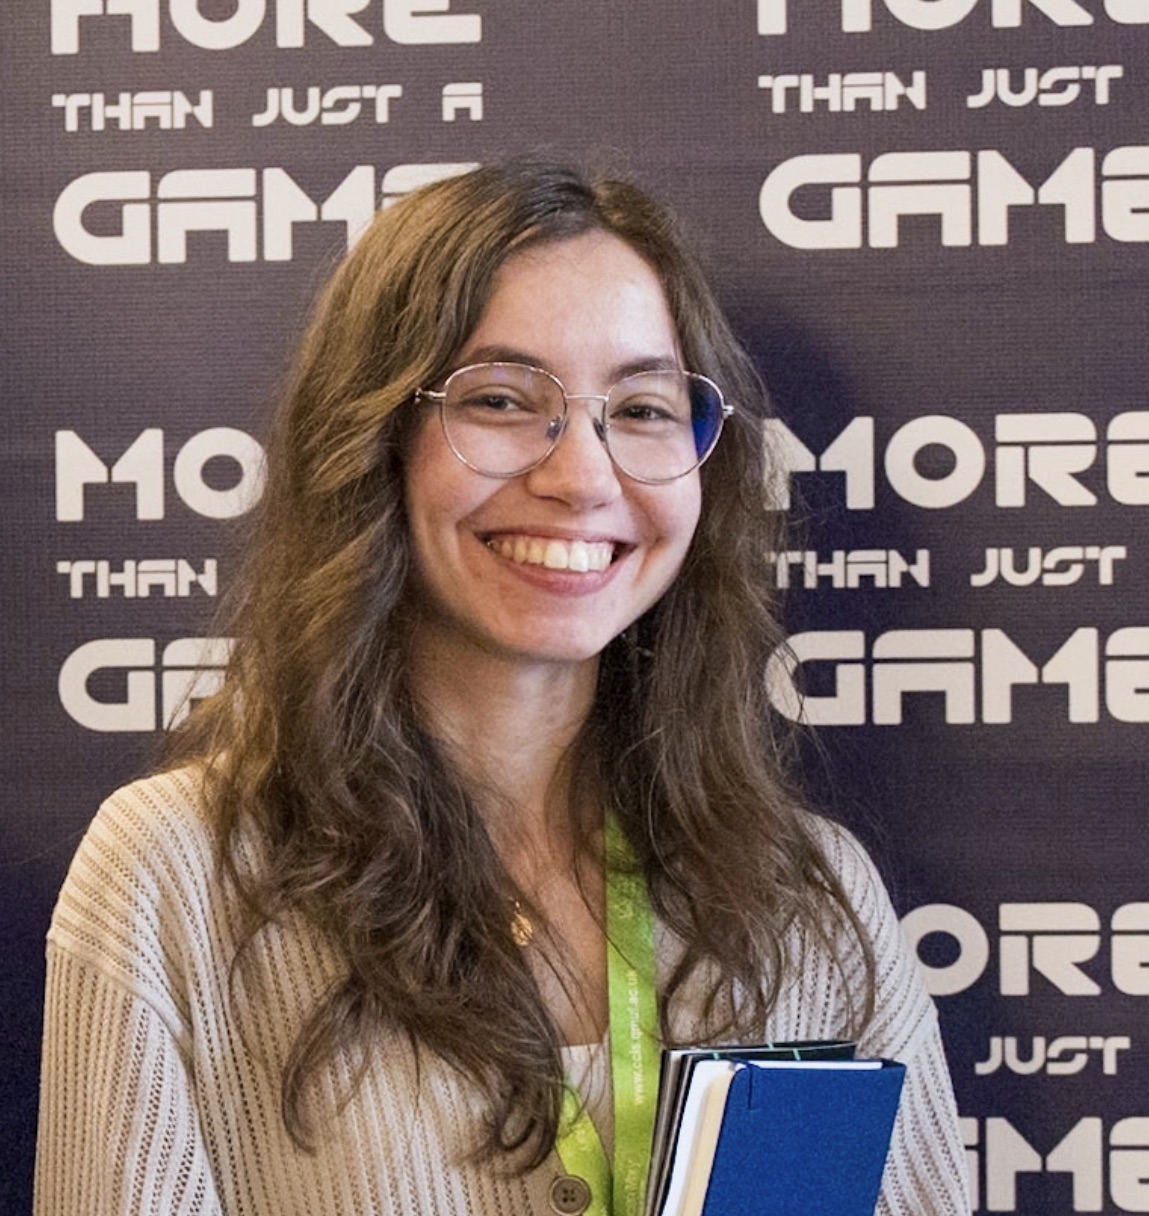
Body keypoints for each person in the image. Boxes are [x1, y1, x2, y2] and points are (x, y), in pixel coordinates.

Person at [36, 161, 968, 1215]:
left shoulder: (813, 901)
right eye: (500, 400)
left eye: (643, 408)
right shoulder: (172, 879)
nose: (583, 476)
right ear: (373, 440)